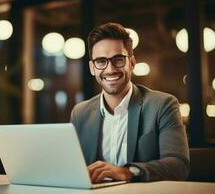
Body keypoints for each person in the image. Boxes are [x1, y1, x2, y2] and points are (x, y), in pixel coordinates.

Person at [70, 22, 190, 183]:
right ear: (92, 68)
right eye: (101, 61)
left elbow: (179, 165)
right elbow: (72, 167)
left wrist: (127, 172)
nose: (110, 69)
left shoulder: (163, 105)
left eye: (118, 59)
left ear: (132, 63)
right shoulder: (80, 113)